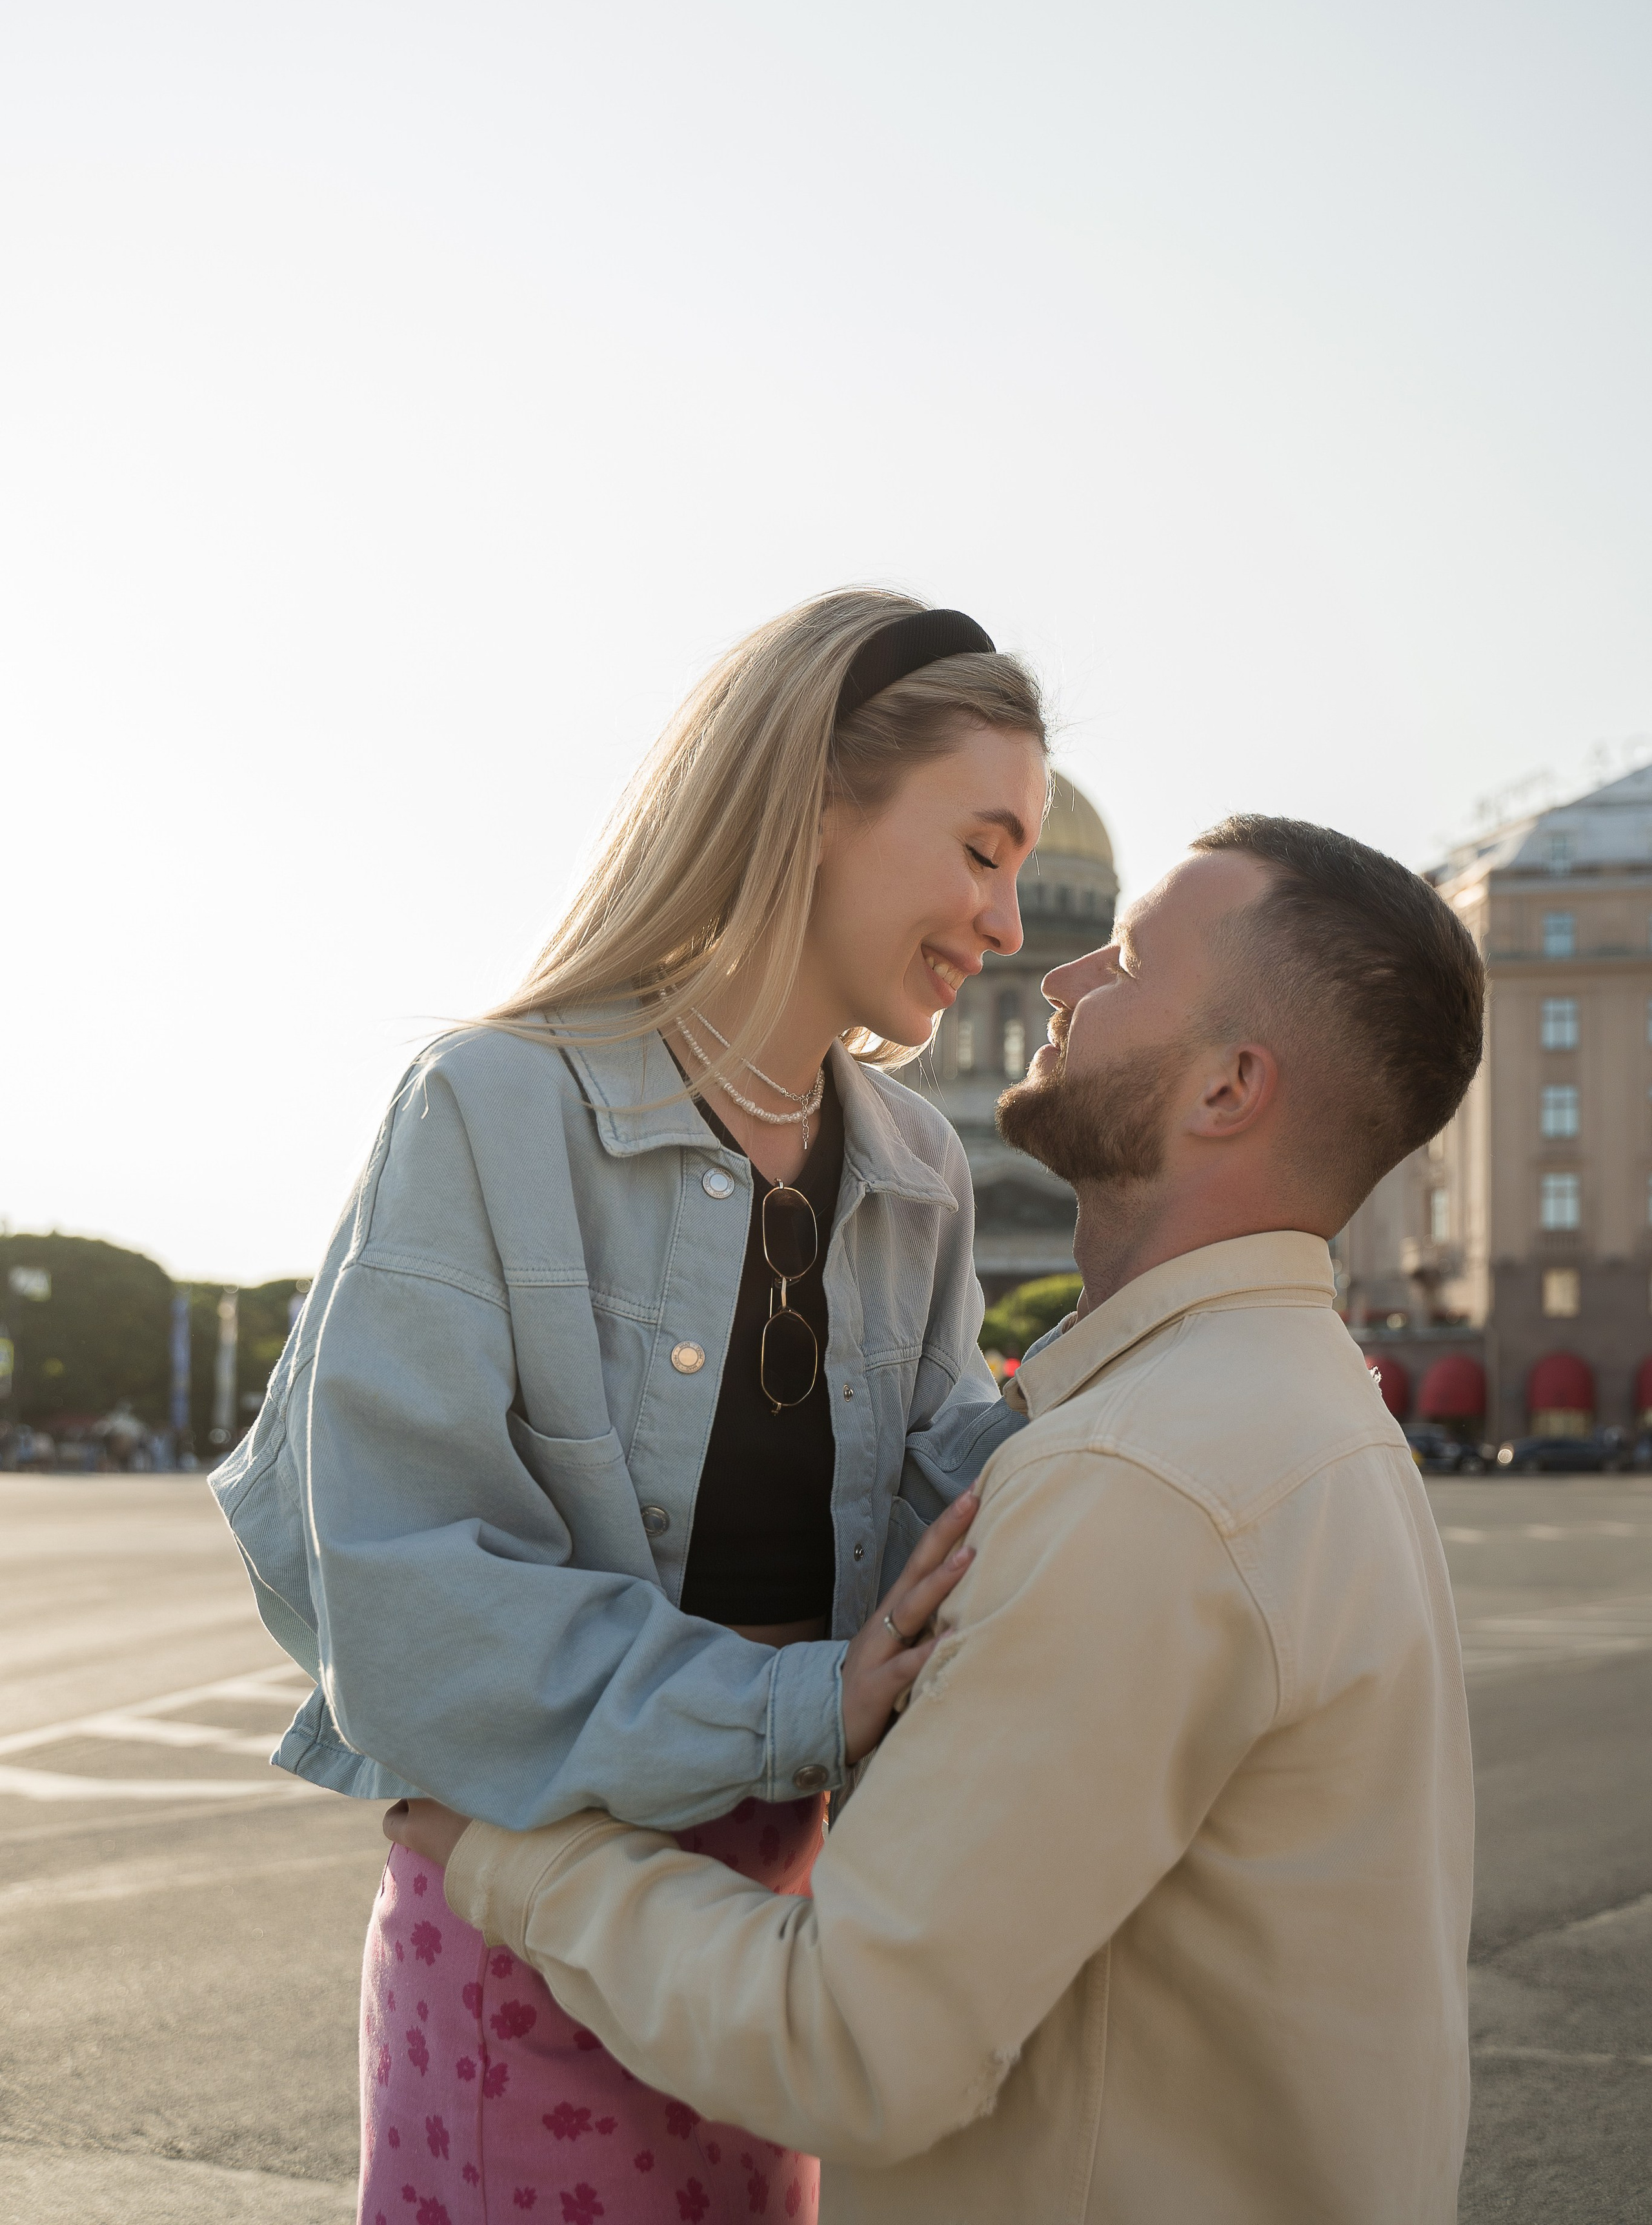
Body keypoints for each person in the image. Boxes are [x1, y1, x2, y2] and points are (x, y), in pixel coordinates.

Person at [389, 814, 1487, 2225]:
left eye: (1125, 957)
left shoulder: (1142, 1483)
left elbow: (852, 2044)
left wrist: (500, 1853)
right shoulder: (1291, 1411)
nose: (1053, 975)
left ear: (1227, 1087)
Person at [209, 590, 1051, 2225]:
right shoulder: (493, 1103)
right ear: (815, 802)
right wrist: (796, 1709)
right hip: (532, 1916)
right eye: (979, 847)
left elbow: (952, 1536)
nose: (1005, 921)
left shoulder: (922, 1170)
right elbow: (404, 1603)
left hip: (787, 1952)